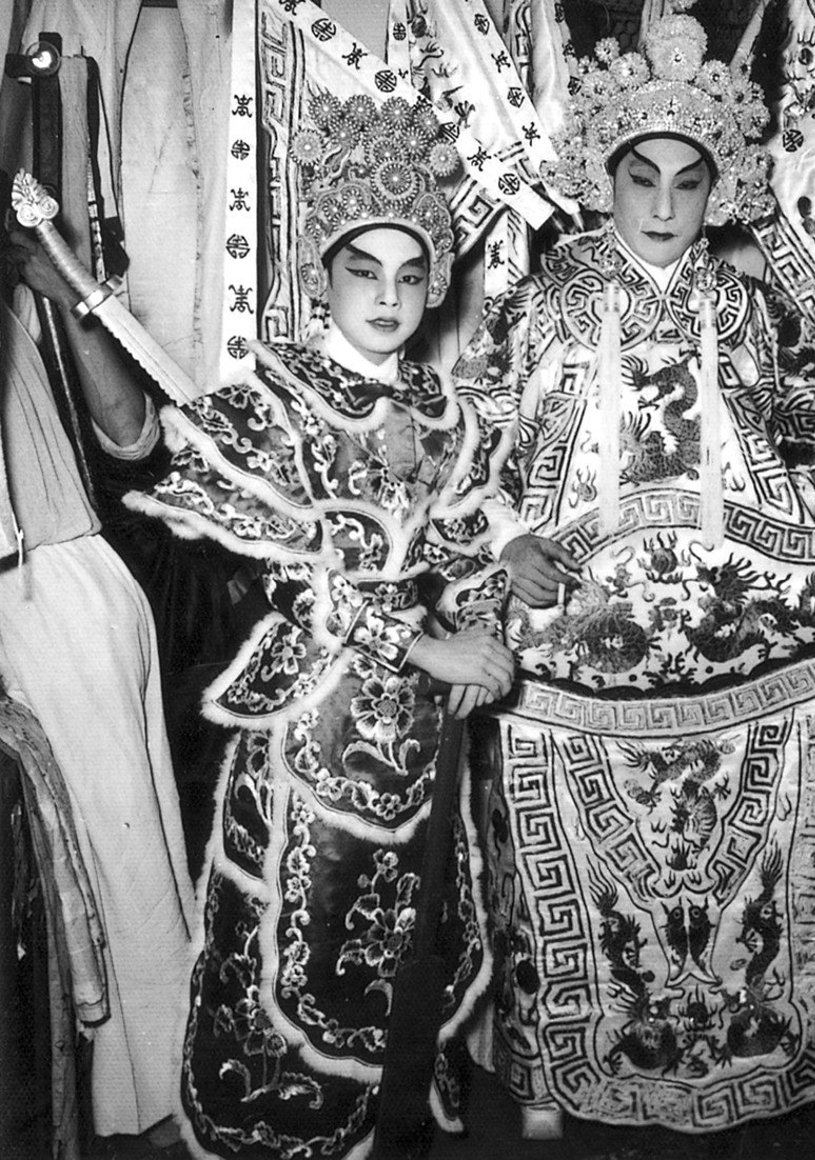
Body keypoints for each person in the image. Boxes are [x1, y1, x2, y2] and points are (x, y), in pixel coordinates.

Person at [454, 5, 815, 1139]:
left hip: (719, 632)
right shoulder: (541, 299)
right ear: (605, 175)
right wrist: (504, 535)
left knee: (723, 864)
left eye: (685, 182)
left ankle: (724, 1047)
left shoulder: (745, 308)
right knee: (547, 841)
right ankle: (553, 1062)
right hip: (571, 625)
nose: (660, 204)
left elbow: (810, 436)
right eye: (639, 175)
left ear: (715, 188)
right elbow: (464, 436)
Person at [125, 92, 516, 1160]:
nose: (386, 296)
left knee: (410, 938)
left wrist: (482, 638)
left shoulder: (451, 414)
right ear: (321, 275)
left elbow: (473, 549)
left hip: (429, 735)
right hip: (315, 719)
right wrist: (416, 641)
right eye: (362, 271)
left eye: (407, 273)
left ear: (433, 284)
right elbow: (284, 575)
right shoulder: (279, 403)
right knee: (299, 927)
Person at [0, 192, 196, 1146]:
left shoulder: (23, 282)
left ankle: (161, 1094)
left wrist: (59, 285)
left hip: (64, 581)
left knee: (128, 862)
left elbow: (132, 437)